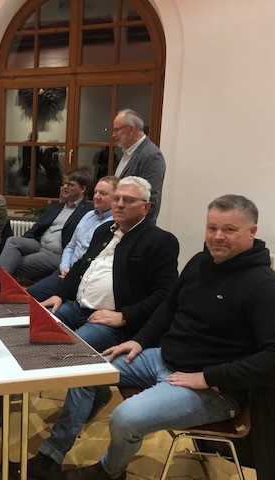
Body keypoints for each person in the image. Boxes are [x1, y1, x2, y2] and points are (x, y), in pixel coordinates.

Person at [63, 194, 275, 480]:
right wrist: (140, 340)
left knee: (125, 418)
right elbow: (169, 305)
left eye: (229, 229)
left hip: (215, 388)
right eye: (212, 228)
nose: (217, 236)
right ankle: (52, 456)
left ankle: (109, 471)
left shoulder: (268, 289)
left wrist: (208, 377)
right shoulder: (200, 262)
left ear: (252, 232)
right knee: (84, 371)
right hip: (164, 358)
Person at [21, 177, 179, 480]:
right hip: (77, 306)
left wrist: (124, 317)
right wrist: (60, 293)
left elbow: (165, 295)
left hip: (114, 323)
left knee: (79, 362)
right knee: (30, 328)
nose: (119, 204)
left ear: (146, 207)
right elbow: (81, 266)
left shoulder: (160, 241)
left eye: (128, 200)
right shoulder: (103, 231)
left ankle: (51, 455)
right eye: (117, 198)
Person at [27, 176, 118, 302]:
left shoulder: (115, 224)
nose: (97, 196)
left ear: (116, 198)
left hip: (85, 279)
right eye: (96, 192)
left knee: (54, 308)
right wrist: (64, 267)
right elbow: (71, 245)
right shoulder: (88, 215)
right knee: (29, 295)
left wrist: (72, 274)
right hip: (65, 271)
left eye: (103, 193)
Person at [0, 168, 94, 281]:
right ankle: (1, 283)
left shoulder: (88, 212)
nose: (65, 187)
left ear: (82, 189)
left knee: (14, 262)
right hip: (40, 245)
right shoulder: (56, 207)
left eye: (70, 185)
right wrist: (23, 246)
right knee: (12, 241)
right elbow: (35, 229)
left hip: (58, 253)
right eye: (64, 183)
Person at [111, 109, 166, 223]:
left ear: (131, 129)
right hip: (120, 225)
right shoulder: (128, 153)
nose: (113, 135)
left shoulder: (151, 155)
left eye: (117, 130)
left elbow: (150, 200)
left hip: (135, 228)